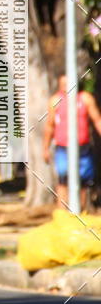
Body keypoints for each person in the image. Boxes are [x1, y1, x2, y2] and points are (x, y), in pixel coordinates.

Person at [43, 75, 101, 211]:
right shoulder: (55, 101)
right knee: (63, 179)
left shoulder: (85, 98)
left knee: (84, 181)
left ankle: (80, 213)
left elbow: (97, 120)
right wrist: (45, 148)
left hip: (83, 147)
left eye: (67, 83)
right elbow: (49, 126)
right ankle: (62, 213)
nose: (65, 86)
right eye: (62, 83)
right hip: (63, 148)